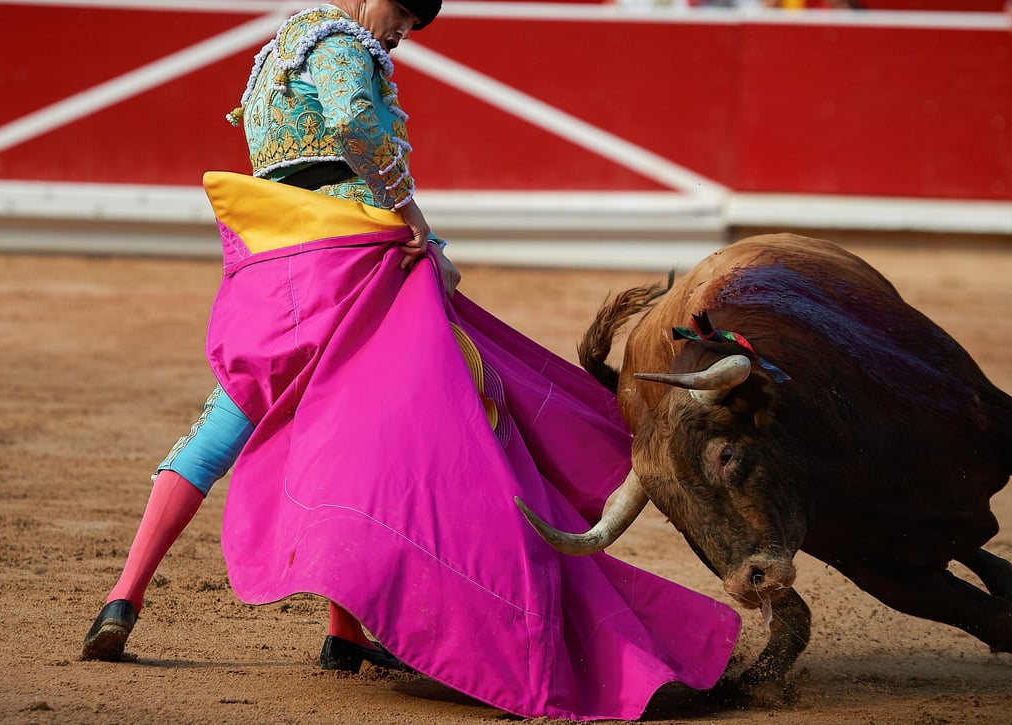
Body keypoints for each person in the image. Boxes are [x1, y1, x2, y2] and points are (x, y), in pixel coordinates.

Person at [82, 1, 740, 719]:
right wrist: (418, 228)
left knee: (226, 430)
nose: (404, 29)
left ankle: (129, 597)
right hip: (355, 275)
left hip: (278, 279)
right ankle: (414, 624)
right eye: (402, 9)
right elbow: (357, 126)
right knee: (435, 427)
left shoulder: (276, 54)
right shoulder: (341, 47)